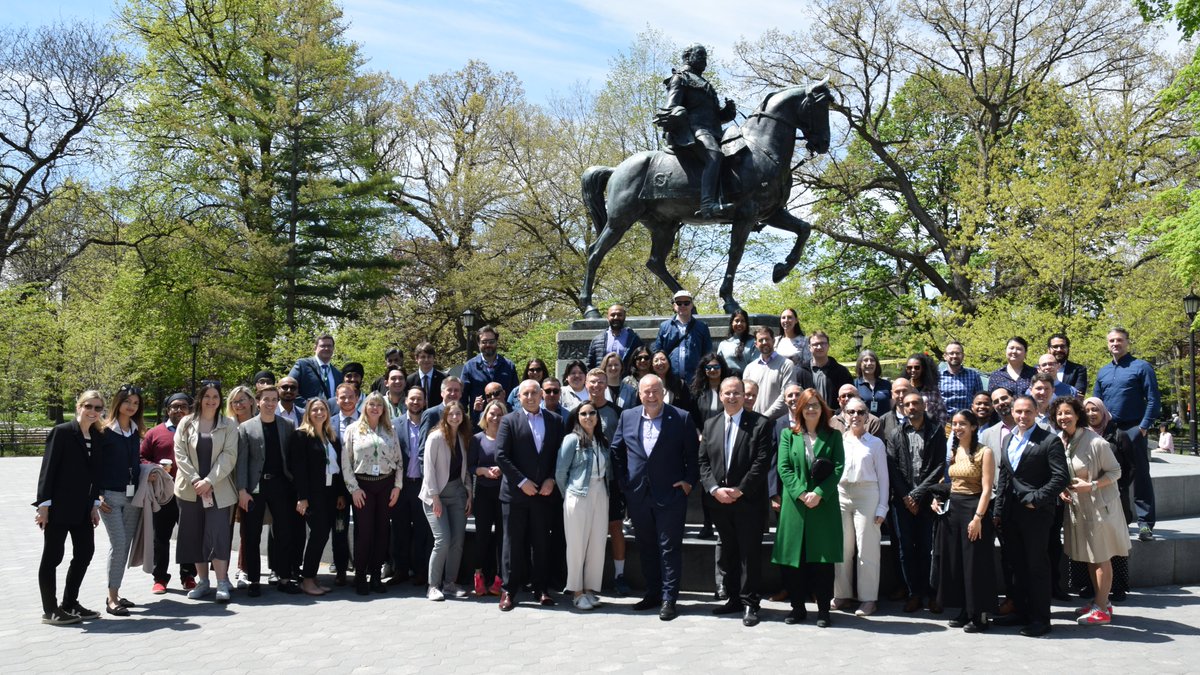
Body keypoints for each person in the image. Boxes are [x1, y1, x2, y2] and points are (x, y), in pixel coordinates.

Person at [610, 374, 699, 621]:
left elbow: (693, 455)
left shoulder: (681, 418)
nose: (651, 396)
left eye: (655, 391)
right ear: (639, 394)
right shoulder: (628, 417)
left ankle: (669, 598)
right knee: (647, 546)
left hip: (671, 494)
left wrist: (689, 483)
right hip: (638, 495)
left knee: (669, 548)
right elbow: (617, 450)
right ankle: (653, 593)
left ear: (663, 392)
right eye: (646, 391)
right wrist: (623, 481)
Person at [992, 396, 1070, 638]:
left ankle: (1041, 618)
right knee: (1016, 565)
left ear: (1037, 411)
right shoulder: (1008, 438)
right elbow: (1005, 475)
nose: (1022, 416)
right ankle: (1021, 611)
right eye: (1018, 412)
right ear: (1012, 413)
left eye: (1027, 411)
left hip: (1035, 514)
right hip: (1010, 514)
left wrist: (1037, 499)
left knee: (1037, 565)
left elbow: (1061, 478)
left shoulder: (1049, 441)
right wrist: (998, 510)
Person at [698, 377, 772, 626]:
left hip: (748, 501)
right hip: (719, 501)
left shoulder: (760, 424)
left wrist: (740, 490)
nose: (732, 397)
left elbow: (761, 463)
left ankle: (750, 604)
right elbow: (704, 462)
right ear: (720, 395)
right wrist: (714, 489)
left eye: (737, 393)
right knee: (728, 551)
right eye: (727, 393)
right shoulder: (710, 424)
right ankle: (733, 599)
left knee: (748, 554)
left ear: (745, 395)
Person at [1054, 396, 1129, 626]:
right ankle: (1101, 602)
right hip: (1079, 508)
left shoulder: (1096, 442)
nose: (1063, 417)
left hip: (1100, 508)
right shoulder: (1061, 440)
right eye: (1059, 414)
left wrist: (1092, 485)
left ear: (1078, 415)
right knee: (1091, 557)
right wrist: (1062, 490)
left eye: (1068, 412)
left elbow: (1116, 472)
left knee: (1100, 557)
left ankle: (1102, 609)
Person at [773, 388, 844, 628]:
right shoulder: (787, 435)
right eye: (806, 405)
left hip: (823, 506)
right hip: (795, 506)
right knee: (794, 560)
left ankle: (824, 610)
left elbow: (838, 468)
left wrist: (819, 494)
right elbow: (784, 468)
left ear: (822, 408)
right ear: (799, 409)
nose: (811, 409)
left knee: (823, 561)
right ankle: (797, 608)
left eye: (815, 405)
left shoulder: (833, 436)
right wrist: (801, 493)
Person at [35, 390, 104, 625]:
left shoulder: (97, 436)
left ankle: (70, 603)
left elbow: (96, 474)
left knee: (85, 552)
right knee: (53, 557)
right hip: (59, 507)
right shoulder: (62, 432)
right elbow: (48, 469)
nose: (93, 411)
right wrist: (43, 506)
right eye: (89, 406)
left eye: (98, 408)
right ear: (79, 407)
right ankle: (50, 610)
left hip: (84, 508)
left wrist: (95, 504)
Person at [496, 380, 565, 611]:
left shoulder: (555, 421)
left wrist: (552, 479)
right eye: (526, 393)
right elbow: (501, 456)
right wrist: (522, 481)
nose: (530, 397)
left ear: (542, 395)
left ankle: (541, 589)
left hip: (544, 493)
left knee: (541, 543)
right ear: (519, 397)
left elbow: (561, 455)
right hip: (516, 494)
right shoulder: (508, 421)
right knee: (512, 544)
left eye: (535, 393)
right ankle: (508, 590)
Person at [174, 382, 239, 603]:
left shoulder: (228, 425)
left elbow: (229, 456)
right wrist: (195, 480)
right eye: (207, 396)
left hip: (218, 489)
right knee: (195, 534)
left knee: (218, 534)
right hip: (190, 490)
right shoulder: (186, 423)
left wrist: (209, 481)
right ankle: (203, 581)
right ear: (200, 398)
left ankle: (222, 582)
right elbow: (180, 453)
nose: (211, 400)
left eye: (216, 397)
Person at [1093, 327, 1160, 542]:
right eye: (1111, 340)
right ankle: (1120, 519)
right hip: (1109, 431)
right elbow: (1096, 403)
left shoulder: (1141, 367)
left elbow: (1153, 399)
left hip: (1133, 429)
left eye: (1119, 340)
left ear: (1127, 342)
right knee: (1112, 475)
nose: (1115, 343)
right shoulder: (1102, 371)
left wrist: (1143, 427)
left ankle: (1145, 525)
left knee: (1140, 475)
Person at [932, 409, 996, 633]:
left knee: (974, 563)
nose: (958, 428)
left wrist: (978, 518)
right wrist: (937, 498)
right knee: (956, 561)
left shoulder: (984, 452)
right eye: (955, 424)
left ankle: (979, 614)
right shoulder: (953, 450)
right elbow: (950, 481)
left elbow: (987, 489)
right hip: (953, 510)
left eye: (962, 424)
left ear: (974, 427)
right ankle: (964, 609)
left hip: (974, 508)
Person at [655, 43, 737, 219]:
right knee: (714, 155)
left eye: (705, 57)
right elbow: (671, 107)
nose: (704, 60)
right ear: (687, 57)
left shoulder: (704, 84)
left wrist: (726, 113)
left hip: (713, 132)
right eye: (700, 55)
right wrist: (678, 115)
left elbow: (712, 116)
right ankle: (707, 204)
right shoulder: (680, 78)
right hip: (693, 131)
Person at [235, 385, 299, 596]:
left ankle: (283, 577)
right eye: (266, 399)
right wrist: (242, 490)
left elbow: (291, 458)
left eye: (274, 399)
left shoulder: (287, 425)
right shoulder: (246, 427)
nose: (270, 403)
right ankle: (253, 579)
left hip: (281, 485)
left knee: (284, 533)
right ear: (258, 402)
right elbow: (242, 462)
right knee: (251, 534)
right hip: (254, 488)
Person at [886, 392, 947, 613]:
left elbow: (939, 465)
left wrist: (918, 494)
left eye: (916, 403)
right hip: (902, 501)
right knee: (905, 550)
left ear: (924, 405)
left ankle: (930, 593)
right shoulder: (895, 433)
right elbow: (892, 467)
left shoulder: (936, 431)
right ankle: (913, 593)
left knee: (927, 548)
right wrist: (906, 496)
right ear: (902, 408)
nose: (912, 407)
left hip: (927, 499)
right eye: (907, 404)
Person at [341, 392, 404, 595]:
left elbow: (399, 461)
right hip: (363, 487)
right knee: (364, 533)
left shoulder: (390, 430)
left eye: (379, 405)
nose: (375, 408)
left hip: (385, 486)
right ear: (364, 407)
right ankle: (361, 576)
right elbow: (346, 463)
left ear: (383, 409)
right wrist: (354, 489)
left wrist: (397, 486)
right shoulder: (353, 430)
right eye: (371, 405)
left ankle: (376, 575)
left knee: (382, 532)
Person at [833, 396, 889, 618]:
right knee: (842, 548)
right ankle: (842, 594)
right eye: (851, 412)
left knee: (867, 548)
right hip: (842, 493)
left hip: (868, 494)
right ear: (844, 415)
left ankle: (868, 599)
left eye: (860, 412)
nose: (855, 416)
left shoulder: (875, 443)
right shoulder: (838, 441)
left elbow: (884, 478)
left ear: (867, 416)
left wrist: (882, 508)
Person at [555, 401, 612, 610]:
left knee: (597, 543)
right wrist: (568, 495)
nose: (588, 417)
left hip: (600, 493)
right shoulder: (571, 440)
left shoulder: (602, 440)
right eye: (583, 414)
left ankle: (590, 590)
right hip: (578, 494)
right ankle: (577, 593)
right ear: (577, 417)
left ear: (597, 416)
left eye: (592, 413)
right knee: (577, 544)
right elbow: (560, 473)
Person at [140, 392, 197, 593]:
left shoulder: (196, 431)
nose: (179, 410)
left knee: (188, 535)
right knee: (160, 537)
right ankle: (160, 578)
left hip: (189, 492)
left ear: (190, 409)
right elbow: (141, 457)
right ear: (167, 410)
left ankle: (188, 575)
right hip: (162, 494)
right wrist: (154, 468)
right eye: (174, 406)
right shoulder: (154, 433)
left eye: (183, 406)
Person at [97, 385, 145, 617]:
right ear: (118, 402)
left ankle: (115, 592)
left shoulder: (135, 430)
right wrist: (96, 496)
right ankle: (111, 599)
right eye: (127, 401)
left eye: (135, 403)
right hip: (110, 496)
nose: (131, 406)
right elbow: (92, 466)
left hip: (132, 495)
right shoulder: (105, 430)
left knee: (124, 546)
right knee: (118, 544)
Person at [290, 398, 347, 596]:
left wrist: (340, 493)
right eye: (315, 410)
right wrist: (302, 497)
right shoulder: (301, 435)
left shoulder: (330, 436)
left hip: (331, 493)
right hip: (313, 495)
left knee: (323, 535)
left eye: (322, 409)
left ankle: (312, 577)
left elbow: (337, 468)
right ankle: (306, 579)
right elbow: (299, 469)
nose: (319, 413)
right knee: (318, 535)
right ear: (308, 413)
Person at [1082, 397, 1135, 601]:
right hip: (1087, 497)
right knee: (1089, 543)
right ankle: (1090, 585)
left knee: (1115, 543)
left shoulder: (1118, 434)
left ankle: (1118, 586)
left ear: (1103, 411)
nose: (1091, 414)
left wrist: (1116, 487)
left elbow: (1131, 467)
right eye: (1086, 410)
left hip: (1114, 496)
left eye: (1095, 409)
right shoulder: (1080, 435)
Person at [421, 401, 473, 601]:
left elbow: (465, 469)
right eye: (451, 414)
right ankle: (433, 586)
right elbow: (429, 470)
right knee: (442, 540)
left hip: (457, 494)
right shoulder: (435, 437)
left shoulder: (461, 437)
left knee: (457, 541)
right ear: (445, 416)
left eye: (458, 414)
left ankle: (450, 583)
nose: (454, 417)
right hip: (436, 496)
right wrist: (435, 498)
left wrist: (469, 492)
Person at [391, 386, 430, 586]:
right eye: (412, 399)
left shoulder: (430, 424)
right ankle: (401, 570)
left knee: (423, 531)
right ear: (406, 401)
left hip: (422, 486)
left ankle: (421, 571)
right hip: (401, 485)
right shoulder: (394, 425)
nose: (415, 402)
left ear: (424, 402)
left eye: (419, 399)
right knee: (400, 530)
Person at [469, 399, 507, 597]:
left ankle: (500, 578)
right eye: (492, 414)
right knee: (482, 536)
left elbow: (514, 462)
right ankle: (478, 574)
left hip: (503, 494)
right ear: (485, 416)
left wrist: (503, 468)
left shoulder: (509, 437)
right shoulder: (477, 439)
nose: (495, 418)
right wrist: (482, 470)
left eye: (500, 414)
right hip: (483, 493)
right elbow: (470, 466)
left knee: (503, 536)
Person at [327, 382, 359, 583]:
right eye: (342, 397)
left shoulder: (366, 421)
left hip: (361, 485)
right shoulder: (328, 423)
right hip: (337, 487)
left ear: (356, 398)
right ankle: (340, 569)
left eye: (350, 397)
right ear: (336, 400)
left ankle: (361, 567)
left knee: (362, 529)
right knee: (339, 529)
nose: (346, 401)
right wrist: (339, 491)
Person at [651, 289, 712, 387]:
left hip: (695, 380)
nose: (683, 306)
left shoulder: (702, 327)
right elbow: (657, 351)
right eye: (679, 303)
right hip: (670, 379)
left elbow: (708, 354)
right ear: (674, 306)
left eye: (686, 303)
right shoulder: (665, 326)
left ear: (691, 305)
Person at [461, 324, 519, 413]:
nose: (488, 345)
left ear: (496, 342)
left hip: (505, 420)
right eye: (484, 342)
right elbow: (463, 398)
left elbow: (516, 396)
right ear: (478, 343)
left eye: (491, 341)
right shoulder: (469, 367)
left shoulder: (509, 366)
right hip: (479, 421)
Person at [743, 326, 795, 421]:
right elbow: (744, 395)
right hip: (753, 421)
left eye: (767, 339)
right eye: (761, 340)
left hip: (777, 422)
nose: (764, 343)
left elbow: (786, 395)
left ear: (773, 341)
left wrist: (765, 417)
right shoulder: (750, 368)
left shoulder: (786, 364)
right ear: (756, 344)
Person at [795, 331, 854, 408]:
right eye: (815, 344)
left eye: (823, 343)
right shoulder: (801, 372)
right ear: (809, 348)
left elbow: (850, 396)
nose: (819, 347)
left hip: (835, 417)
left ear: (828, 346)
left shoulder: (841, 372)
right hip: (809, 416)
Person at [289, 333, 342, 406]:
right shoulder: (303, 365)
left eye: (329, 346)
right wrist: (307, 406)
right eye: (322, 346)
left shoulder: (338, 374)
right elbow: (289, 387)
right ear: (315, 348)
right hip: (306, 414)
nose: (326, 348)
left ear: (333, 348)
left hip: (330, 415)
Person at [588, 304, 643, 369]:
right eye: (613, 315)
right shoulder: (597, 340)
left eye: (619, 315)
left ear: (624, 317)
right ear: (607, 317)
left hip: (626, 378)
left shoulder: (634, 339)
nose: (616, 317)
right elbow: (590, 365)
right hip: (603, 378)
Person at [939, 341, 983, 417]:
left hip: (967, 421)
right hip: (943, 421)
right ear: (945, 356)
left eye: (958, 353)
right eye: (951, 353)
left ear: (963, 356)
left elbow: (980, 400)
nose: (954, 356)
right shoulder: (937, 377)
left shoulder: (974, 375)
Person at [906, 353, 946, 426]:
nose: (913, 370)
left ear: (923, 369)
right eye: (909, 367)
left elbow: (942, 412)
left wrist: (938, 430)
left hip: (931, 432)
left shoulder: (933, 390)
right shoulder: (904, 389)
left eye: (917, 367)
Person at [717, 309, 759, 375]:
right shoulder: (723, 344)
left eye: (742, 321)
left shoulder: (753, 342)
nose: (739, 324)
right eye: (737, 321)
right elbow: (719, 365)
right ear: (732, 323)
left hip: (746, 380)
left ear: (746, 324)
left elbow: (756, 366)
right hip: (728, 381)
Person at [407, 342, 445, 408]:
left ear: (434, 358)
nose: (426, 360)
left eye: (429, 357)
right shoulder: (409, 380)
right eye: (423, 357)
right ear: (416, 358)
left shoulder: (443, 378)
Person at [854, 348, 891, 417]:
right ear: (860, 364)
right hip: (863, 426)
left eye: (872, 360)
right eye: (865, 360)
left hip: (885, 426)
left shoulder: (886, 384)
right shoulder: (854, 385)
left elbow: (893, 408)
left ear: (876, 364)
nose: (869, 363)